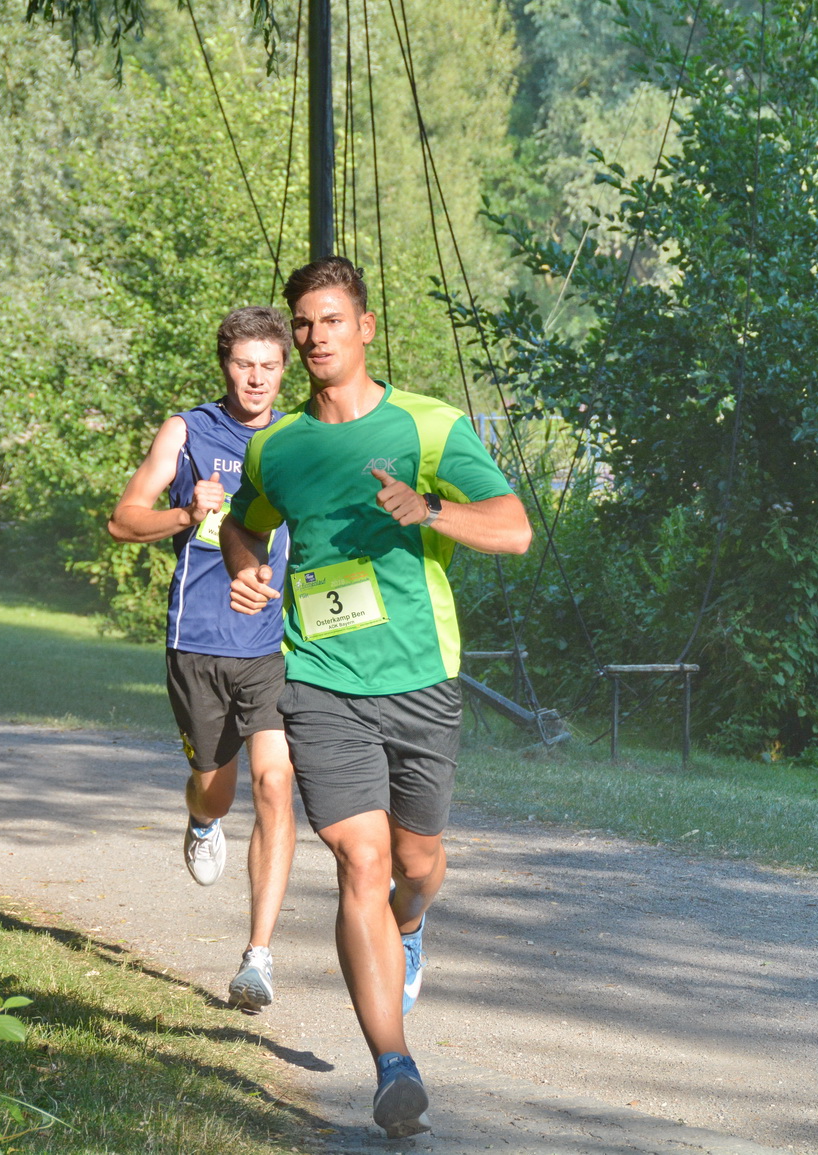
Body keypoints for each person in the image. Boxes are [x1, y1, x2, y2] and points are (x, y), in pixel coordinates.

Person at [222, 257, 530, 1139]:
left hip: (422, 681)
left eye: (331, 320)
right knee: (360, 860)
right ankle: (394, 1065)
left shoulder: (428, 426)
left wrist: (429, 509)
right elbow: (245, 523)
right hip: (320, 681)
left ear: (363, 328)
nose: (316, 337)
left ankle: (410, 925)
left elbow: (512, 528)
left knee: (418, 863)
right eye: (304, 324)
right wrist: (247, 570)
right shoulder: (275, 446)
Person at [107, 306, 297, 1011]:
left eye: (269, 366)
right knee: (215, 786)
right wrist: (187, 514)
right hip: (199, 641)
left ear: (285, 370)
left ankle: (258, 957)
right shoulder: (186, 431)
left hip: (275, 645)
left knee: (276, 784)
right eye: (244, 363)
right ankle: (203, 819)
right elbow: (123, 519)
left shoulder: (299, 438)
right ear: (225, 364)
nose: (256, 378)